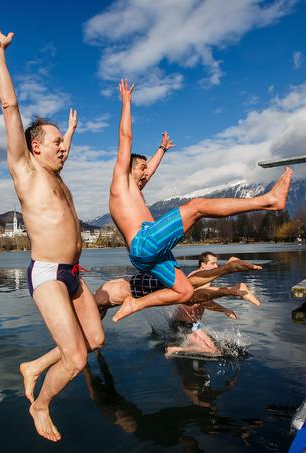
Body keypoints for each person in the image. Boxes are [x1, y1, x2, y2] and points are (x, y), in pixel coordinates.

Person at [0, 10, 103, 442]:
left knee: (96, 340)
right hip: (49, 273)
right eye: (57, 144)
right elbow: (10, 108)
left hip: (73, 274)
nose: (64, 149)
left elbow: (62, 146)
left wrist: (68, 131)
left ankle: (32, 365)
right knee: (76, 360)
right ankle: (40, 404)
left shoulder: (56, 176)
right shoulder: (25, 171)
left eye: (65, 145)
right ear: (35, 147)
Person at [109, 80, 292, 322]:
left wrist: (162, 149)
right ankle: (268, 200)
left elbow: (149, 170)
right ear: (130, 169)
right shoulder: (120, 183)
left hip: (148, 252)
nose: (147, 172)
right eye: (142, 168)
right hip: (144, 241)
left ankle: (136, 303)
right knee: (196, 206)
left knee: (185, 291)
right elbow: (125, 137)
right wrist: (126, 103)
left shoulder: (135, 189)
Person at [93, 257, 262, 317]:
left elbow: (95, 317)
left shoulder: (97, 302)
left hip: (139, 288)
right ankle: (228, 274)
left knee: (189, 295)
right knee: (188, 289)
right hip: (140, 280)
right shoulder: (102, 290)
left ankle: (230, 282)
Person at [165, 253, 262, 357]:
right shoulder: (200, 280)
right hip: (183, 324)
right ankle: (175, 349)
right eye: (213, 263)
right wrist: (224, 310)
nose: (216, 266)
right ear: (203, 264)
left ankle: (232, 276)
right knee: (213, 351)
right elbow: (204, 301)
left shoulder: (198, 276)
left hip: (191, 324)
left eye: (216, 263)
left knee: (214, 348)